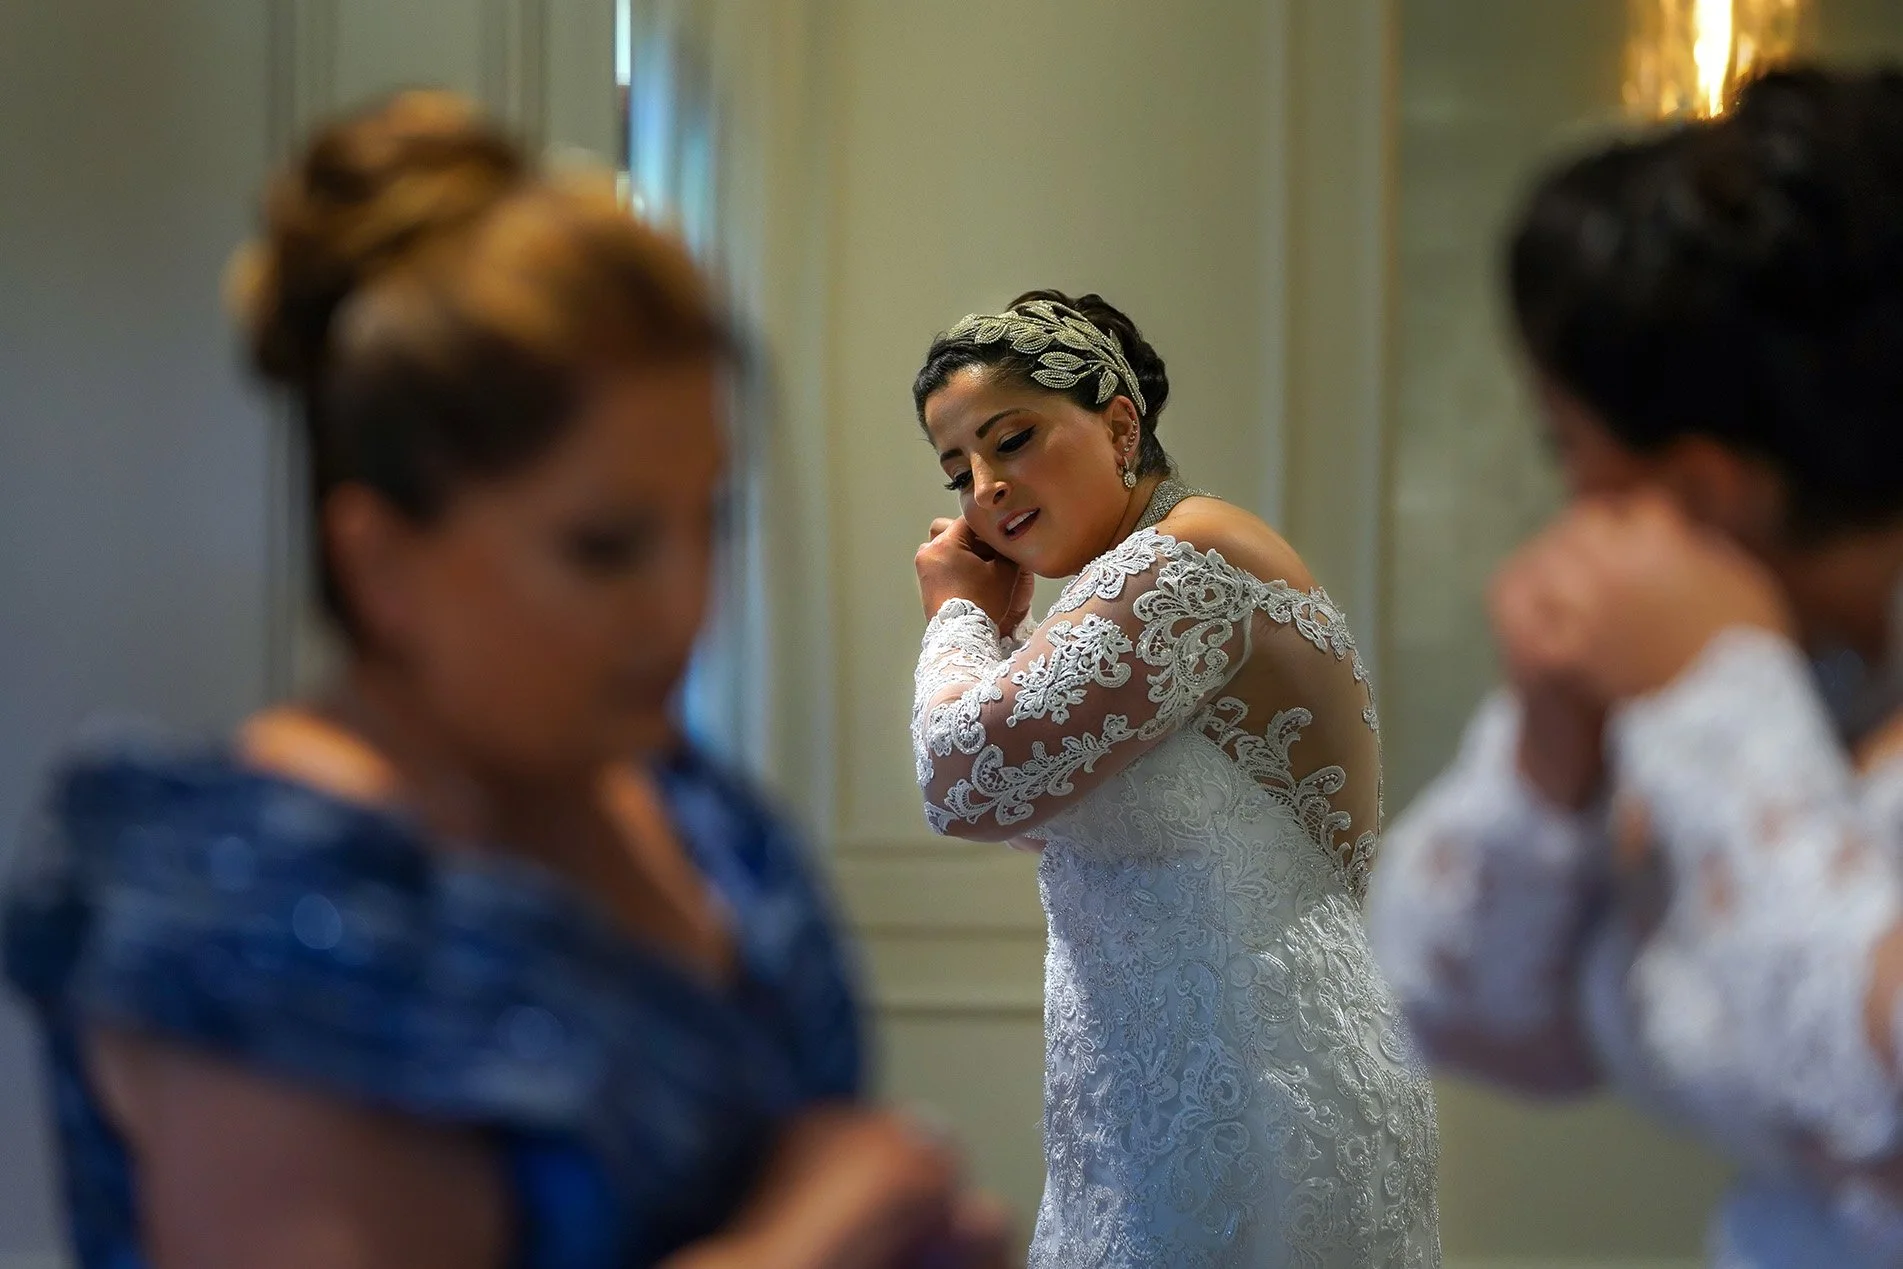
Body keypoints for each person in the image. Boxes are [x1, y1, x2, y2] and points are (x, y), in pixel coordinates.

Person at [3, 91, 1009, 1269]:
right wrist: (813, 1234)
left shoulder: (692, 815)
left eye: (709, 526)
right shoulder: (267, 901)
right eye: (604, 547)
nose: (684, 606)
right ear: (381, 558)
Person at [1367, 67, 1903, 1267]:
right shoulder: (1782, 691)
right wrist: (1546, 760)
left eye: (1568, 449)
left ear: (1705, 485)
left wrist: (1718, 691)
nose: (1564, 508)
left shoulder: (1734, 701)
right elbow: (1450, 1007)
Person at [908, 291, 1441, 1267]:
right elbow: (1036, 806)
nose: (983, 488)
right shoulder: (1133, 585)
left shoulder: (1187, 562)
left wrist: (958, 613)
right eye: (958, 471)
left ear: (1118, 424)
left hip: (1249, 1092)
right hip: (1153, 1097)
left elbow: (960, 781)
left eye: (1011, 439)